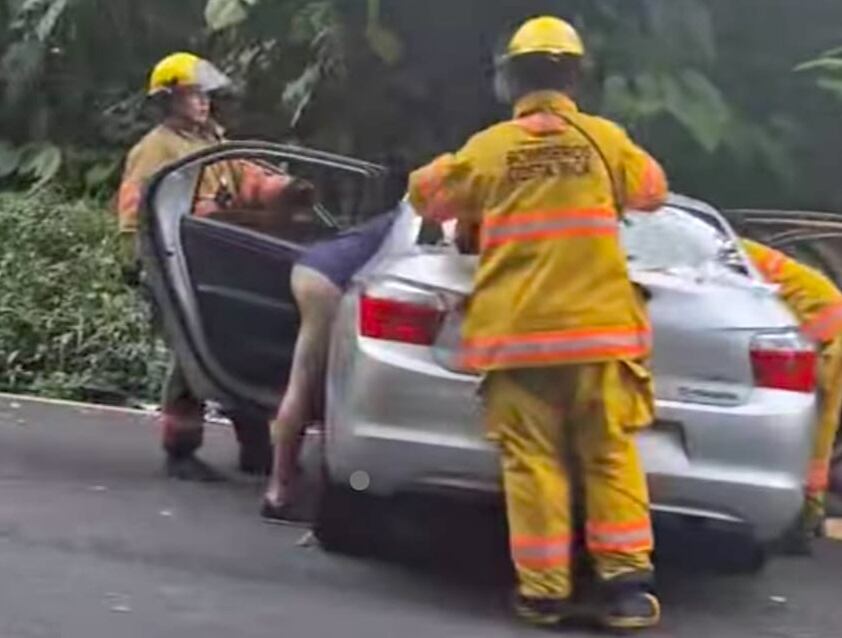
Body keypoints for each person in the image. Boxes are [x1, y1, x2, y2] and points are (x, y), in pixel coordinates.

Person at [407, 16, 668, 629]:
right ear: (577, 76)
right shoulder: (606, 141)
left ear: (508, 79)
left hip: (520, 338)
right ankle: (628, 589)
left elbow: (429, 197)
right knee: (609, 455)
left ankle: (543, 593)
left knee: (534, 462)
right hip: (600, 335)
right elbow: (653, 192)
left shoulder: (490, 149)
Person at [117, 52, 294, 481]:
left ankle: (256, 450)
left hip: (214, 261)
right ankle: (181, 450)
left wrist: (286, 191)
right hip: (175, 262)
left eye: (204, 95)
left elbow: (246, 176)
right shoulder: (156, 149)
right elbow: (132, 210)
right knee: (190, 357)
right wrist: (136, 263)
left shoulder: (211, 140)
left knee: (230, 348)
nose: (203, 103)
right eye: (193, 95)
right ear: (169, 100)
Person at [260, 211, 398, 521]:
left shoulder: (408, 209)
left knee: (307, 382)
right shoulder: (422, 220)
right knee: (313, 386)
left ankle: (287, 484)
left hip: (314, 265)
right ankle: (279, 491)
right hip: (331, 283)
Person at [742, 238, 842, 552]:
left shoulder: (735, 259)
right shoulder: (748, 254)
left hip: (831, 342)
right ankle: (806, 514)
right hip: (827, 335)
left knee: (819, 431)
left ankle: (806, 513)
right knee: (819, 427)